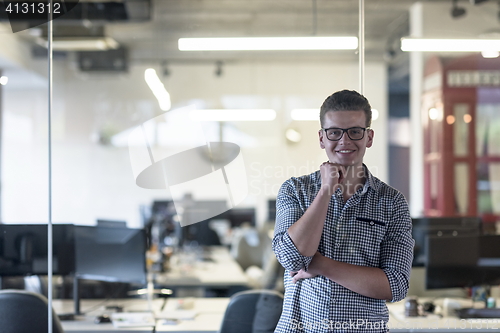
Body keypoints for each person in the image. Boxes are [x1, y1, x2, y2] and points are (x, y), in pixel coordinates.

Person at [272, 90, 414, 332]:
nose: (345, 141)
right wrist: (326, 190)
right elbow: (291, 258)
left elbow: (396, 285)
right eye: (334, 132)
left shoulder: (392, 202)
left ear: (369, 137)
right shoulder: (295, 190)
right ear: (321, 138)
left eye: (355, 132)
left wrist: (319, 265)